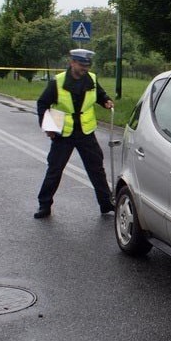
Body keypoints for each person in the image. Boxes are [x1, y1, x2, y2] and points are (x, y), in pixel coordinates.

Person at [33, 49, 115, 219]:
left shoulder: (91, 78)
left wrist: (106, 100)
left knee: (96, 169)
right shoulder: (58, 81)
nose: (85, 68)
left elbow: (99, 94)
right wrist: (47, 126)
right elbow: (42, 103)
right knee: (54, 170)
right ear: (72, 63)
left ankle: (106, 204)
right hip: (64, 134)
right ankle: (44, 205)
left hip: (85, 132)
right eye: (81, 65)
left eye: (87, 65)